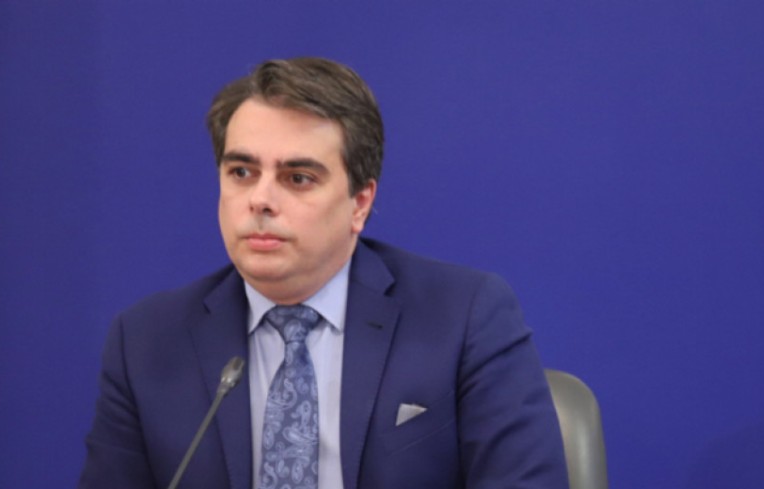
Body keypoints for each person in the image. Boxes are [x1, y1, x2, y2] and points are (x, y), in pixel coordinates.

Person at [78, 57, 568, 489]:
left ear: (360, 203)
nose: (260, 200)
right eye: (241, 172)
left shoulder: (462, 320)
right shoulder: (146, 342)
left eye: (298, 178)